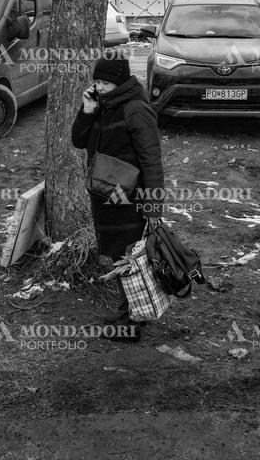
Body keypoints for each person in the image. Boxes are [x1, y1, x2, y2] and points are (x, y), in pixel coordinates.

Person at [71, 51, 165, 342]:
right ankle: (128, 311)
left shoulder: (135, 109)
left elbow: (152, 160)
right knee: (120, 255)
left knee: (130, 257)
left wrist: (153, 204)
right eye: (96, 81)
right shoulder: (102, 105)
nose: (98, 87)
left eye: (104, 83)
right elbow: (78, 140)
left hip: (129, 199)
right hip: (106, 195)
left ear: (120, 82)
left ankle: (130, 323)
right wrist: (87, 110)